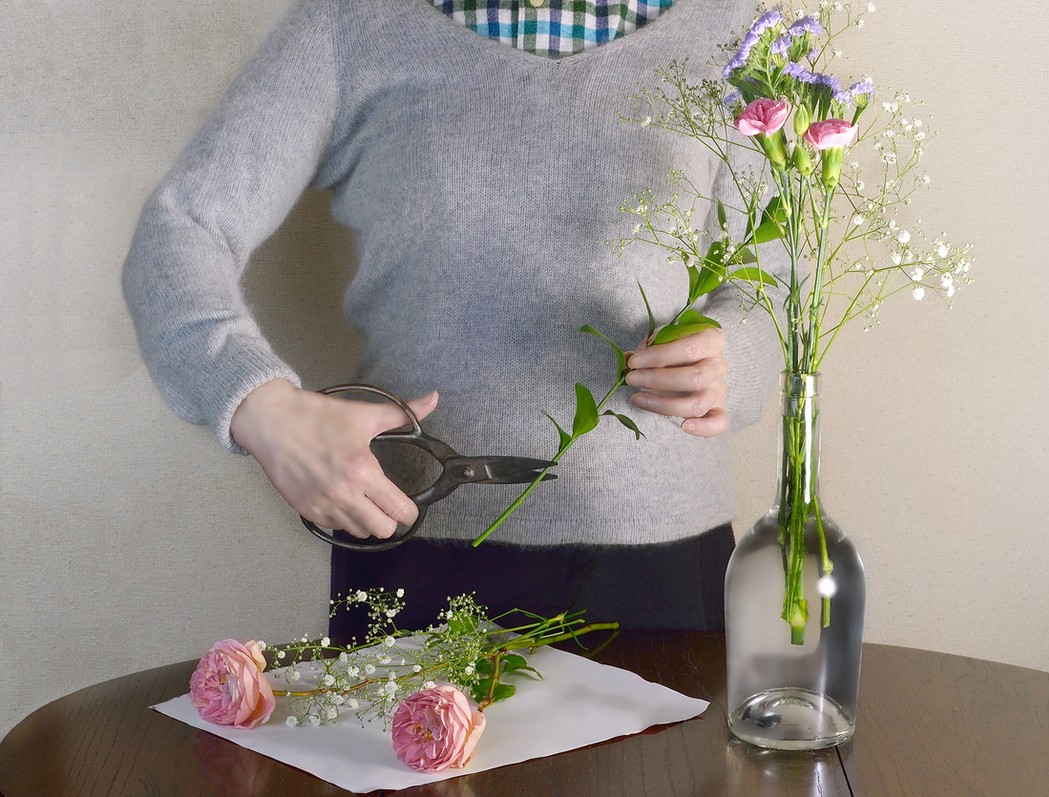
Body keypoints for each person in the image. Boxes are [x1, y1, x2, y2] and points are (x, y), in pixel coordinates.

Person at [122, 0, 781, 636]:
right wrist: (260, 408)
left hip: (663, 563)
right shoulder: (354, 23)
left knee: (672, 758)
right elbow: (181, 228)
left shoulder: (736, 27)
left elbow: (779, 272)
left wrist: (737, 356)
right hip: (413, 539)